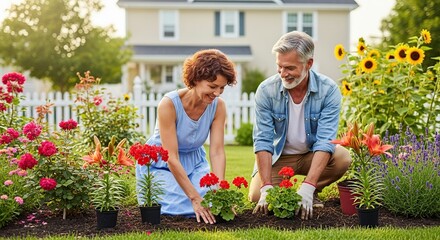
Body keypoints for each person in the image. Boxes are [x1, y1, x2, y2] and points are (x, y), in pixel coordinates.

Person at [248, 31, 352, 220]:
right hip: (280, 158)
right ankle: (277, 189)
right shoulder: (266, 90)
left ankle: (310, 192)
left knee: (343, 157)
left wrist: (309, 185)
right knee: (257, 197)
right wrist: (266, 186)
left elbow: (325, 141)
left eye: (289, 68)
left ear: (309, 64)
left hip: (311, 155)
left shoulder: (328, 90)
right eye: (279, 67)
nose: (283, 74)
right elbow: (262, 139)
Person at [136, 49, 237, 224]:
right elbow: (172, 157)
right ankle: (191, 205)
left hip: (195, 163)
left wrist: (220, 192)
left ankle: (202, 205)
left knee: (212, 199)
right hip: (162, 165)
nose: (218, 93)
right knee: (184, 201)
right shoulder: (169, 105)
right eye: (212, 86)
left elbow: (217, 151)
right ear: (196, 79)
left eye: (222, 87)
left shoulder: (218, 107)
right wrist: (194, 198)